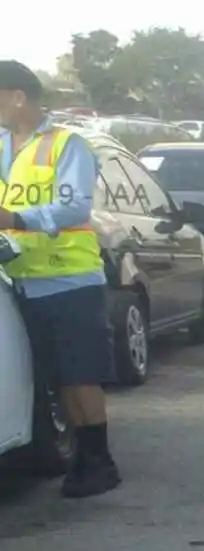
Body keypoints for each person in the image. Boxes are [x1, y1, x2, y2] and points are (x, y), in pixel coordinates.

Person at [0, 61, 121, 497]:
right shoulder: (2, 146)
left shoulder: (67, 144)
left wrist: (13, 217)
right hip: (23, 282)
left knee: (80, 375)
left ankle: (99, 461)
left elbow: (72, 209)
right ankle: (82, 460)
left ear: (17, 97)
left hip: (70, 282)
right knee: (56, 378)